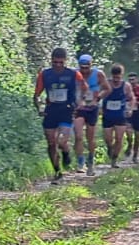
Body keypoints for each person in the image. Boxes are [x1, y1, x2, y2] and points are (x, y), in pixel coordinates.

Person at [33, 48, 79, 182]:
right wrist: (39, 108)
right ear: (51, 60)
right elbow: (36, 95)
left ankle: (65, 153)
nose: (58, 65)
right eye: (55, 62)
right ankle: (57, 171)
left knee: (62, 141)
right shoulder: (45, 74)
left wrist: (79, 105)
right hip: (51, 110)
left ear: (65, 61)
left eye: (61, 62)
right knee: (51, 143)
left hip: (67, 110)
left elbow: (83, 90)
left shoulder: (73, 74)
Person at [72, 53, 107, 173]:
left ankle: (91, 160)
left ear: (91, 65)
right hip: (79, 108)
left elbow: (107, 88)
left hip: (92, 108)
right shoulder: (75, 74)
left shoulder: (98, 74)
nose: (84, 70)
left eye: (87, 67)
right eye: (82, 67)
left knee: (90, 138)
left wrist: (97, 99)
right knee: (78, 136)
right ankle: (80, 162)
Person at [99, 64, 133, 168]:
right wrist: (99, 107)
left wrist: (130, 108)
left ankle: (114, 159)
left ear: (122, 75)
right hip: (107, 115)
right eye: (114, 77)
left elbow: (131, 98)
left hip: (120, 115)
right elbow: (99, 96)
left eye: (118, 77)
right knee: (108, 139)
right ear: (111, 75)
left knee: (119, 138)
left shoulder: (126, 86)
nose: (116, 80)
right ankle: (109, 147)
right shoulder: (106, 84)